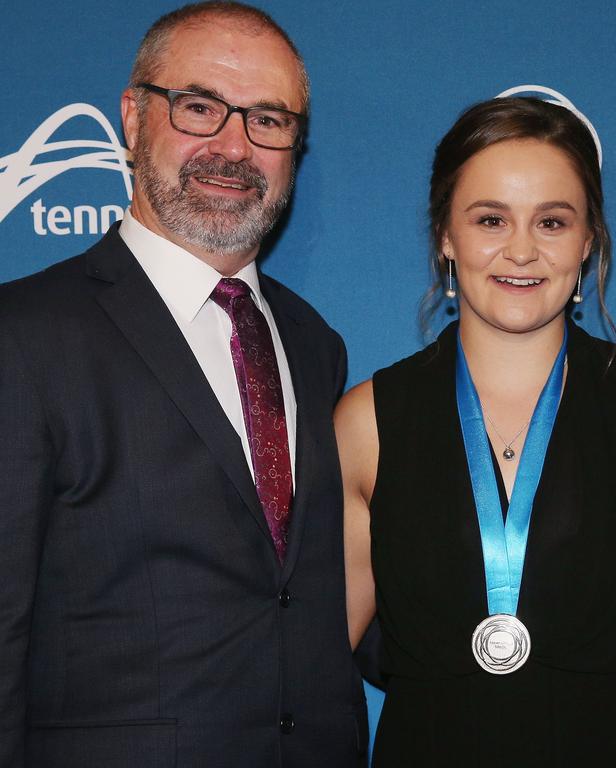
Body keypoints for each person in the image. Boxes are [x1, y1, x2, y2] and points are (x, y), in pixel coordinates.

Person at [0, 3, 369, 766]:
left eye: (269, 120)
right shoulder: (23, 336)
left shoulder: (312, 343)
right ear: (133, 118)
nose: (234, 147)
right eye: (200, 107)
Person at [336, 96, 616, 766]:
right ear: (446, 236)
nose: (520, 250)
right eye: (489, 220)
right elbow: (319, 646)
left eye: (552, 221)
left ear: (588, 238)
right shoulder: (369, 420)